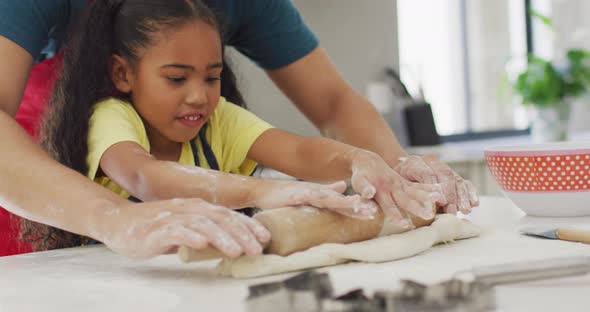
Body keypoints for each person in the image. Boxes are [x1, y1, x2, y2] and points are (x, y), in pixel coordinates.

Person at [0, 0, 477, 257]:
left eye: (210, 76)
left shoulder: (218, 114)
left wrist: (384, 167)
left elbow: (324, 112)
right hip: (38, 195)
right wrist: (115, 217)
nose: (197, 94)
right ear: (122, 72)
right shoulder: (111, 117)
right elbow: (145, 177)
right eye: (176, 77)